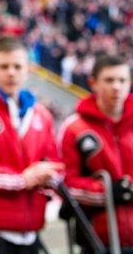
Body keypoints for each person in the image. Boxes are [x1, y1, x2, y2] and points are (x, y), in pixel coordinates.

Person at [0, 36, 64, 254]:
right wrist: (22, 180)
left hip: (32, 231)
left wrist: (48, 176)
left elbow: (56, 165)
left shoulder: (42, 115)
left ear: (28, 70)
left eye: (17, 66)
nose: (11, 72)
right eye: (4, 66)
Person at [58, 54, 133, 251]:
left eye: (122, 80)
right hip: (96, 240)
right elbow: (65, 183)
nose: (116, 86)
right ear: (93, 83)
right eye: (109, 80)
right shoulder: (75, 128)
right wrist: (108, 192)